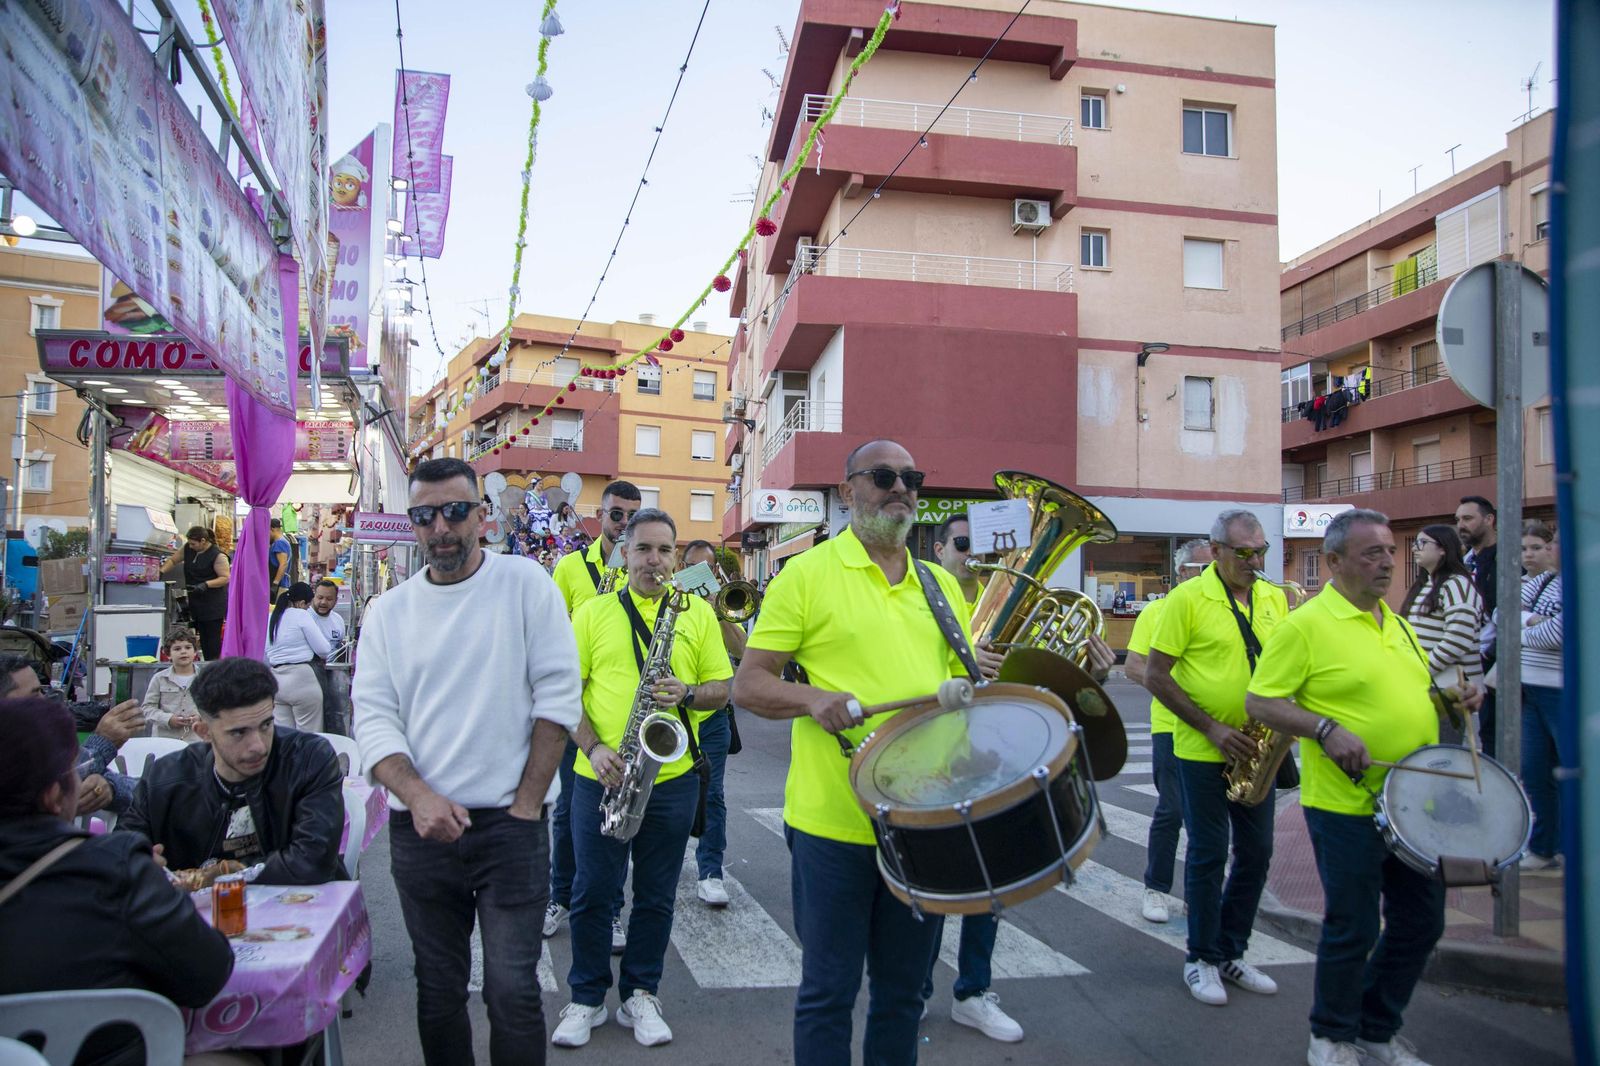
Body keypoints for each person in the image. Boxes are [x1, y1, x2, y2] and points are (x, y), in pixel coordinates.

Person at [733, 439, 973, 1066]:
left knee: (903, 994)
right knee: (828, 992)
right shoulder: (805, 575)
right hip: (832, 826)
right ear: (847, 491)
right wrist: (812, 699)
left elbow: (963, 694)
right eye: (883, 476)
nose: (901, 489)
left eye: (911, 478)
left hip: (921, 823)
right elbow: (749, 684)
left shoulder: (939, 585)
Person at [354, 457, 581, 1066]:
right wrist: (419, 798)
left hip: (511, 827)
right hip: (421, 830)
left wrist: (527, 804)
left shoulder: (525, 584)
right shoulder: (387, 613)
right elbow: (372, 719)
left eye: (455, 511)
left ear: (482, 515)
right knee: (438, 989)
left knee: (512, 991)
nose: (441, 527)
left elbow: (558, 698)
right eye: (424, 515)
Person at [1246, 509, 1479, 1066]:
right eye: (1372, 553)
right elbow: (1261, 701)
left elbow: (1414, 692)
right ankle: (1330, 1034)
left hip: (1414, 803)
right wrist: (1325, 729)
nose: (1388, 563)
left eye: (1391, 552)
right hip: (1345, 804)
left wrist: (1453, 697)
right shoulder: (1305, 625)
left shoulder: (1395, 621)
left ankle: (1376, 1028)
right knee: (1352, 925)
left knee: (1422, 922)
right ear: (1333, 561)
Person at [551, 510, 733, 1048]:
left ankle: (640, 993)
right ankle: (586, 997)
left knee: (655, 895)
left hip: (671, 779)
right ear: (625, 554)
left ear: (675, 557)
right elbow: (563, 695)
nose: (655, 560)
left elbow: (723, 688)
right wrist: (594, 747)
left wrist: (688, 694)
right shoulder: (593, 613)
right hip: (602, 773)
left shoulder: (696, 614)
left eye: (664, 550)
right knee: (592, 891)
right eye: (644, 549)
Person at [0, 697, 236, 1066]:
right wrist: (151, 880)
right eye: (75, 770)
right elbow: (208, 975)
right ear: (53, 795)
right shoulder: (116, 868)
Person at [1145, 510, 1287, 1007]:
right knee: (1208, 853)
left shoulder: (1274, 598)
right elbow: (1155, 674)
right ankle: (1201, 958)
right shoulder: (1186, 599)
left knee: (1257, 853)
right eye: (1244, 553)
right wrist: (1212, 728)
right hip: (1202, 748)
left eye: (1261, 551)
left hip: (1256, 749)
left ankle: (1232, 951)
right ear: (1217, 550)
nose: (1255, 562)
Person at [916, 514, 1022, 1041]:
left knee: (988, 883)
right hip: (938, 757)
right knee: (933, 882)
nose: (973, 552)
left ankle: (973, 992)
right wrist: (960, 661)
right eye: (963, 543)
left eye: (982, 545)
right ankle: (914, 990)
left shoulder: (1012, 604)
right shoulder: (920, 597)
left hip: (994, 755)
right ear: (940, 550)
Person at [119, 656, 344, 885]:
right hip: (190, 907)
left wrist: (217, 876)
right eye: (238, 733)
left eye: (266, 725)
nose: (258, 746)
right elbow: (122, 853)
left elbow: (312, 861)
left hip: (303, 903)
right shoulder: (164, 778)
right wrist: (137, 861)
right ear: (204, 731)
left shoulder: (306, 759)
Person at [547, 479, 642, 947]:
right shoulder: (570, 567)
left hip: (621, 715)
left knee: (618, 818)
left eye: (632, 516)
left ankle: (610, 909)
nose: (623, 523)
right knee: (569, 813)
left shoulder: (639, 567)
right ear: (600, 515)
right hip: (577, 713)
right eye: (616, 514)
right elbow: (548, 630)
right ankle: (559, 896)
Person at [1124, 538, 1214, 925]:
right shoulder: (1159, 610)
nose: (1211, 575)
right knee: (1172, 809)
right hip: (1171, 724)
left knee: (1207, 819)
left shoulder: (1223, 609)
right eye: (1203, 569)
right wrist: (1177, 692)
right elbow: (1133, 665)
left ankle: (1199, 894)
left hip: (1220, 728)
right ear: (1181, 572)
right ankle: (1156, 888)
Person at [679, 539, 747, 908]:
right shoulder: (670, 602)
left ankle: (711, 873)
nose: (702, 575)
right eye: (695, 568)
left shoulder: (721, 606)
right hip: (675, 718)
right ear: (682, 568)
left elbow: (743, 651)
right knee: (668, 794)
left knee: (714, 795)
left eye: (708, 569)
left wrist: (716, 610)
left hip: (713, 717)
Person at [0, 655, 141, 817]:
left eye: (41, 691)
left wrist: (110, 789)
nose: (44, 701)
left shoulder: (36, 746)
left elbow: (140, 792)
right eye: (34, 695)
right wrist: (102, 743)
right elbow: (49, 784)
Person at [1400, 526, 1483, 726]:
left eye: (1422, 543)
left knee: (1444, 743)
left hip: (1453, 687)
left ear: (1443, 549)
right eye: (1415, 543)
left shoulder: (1457, 584)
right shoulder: (1426, 584)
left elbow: (1457, 640)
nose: (1415, 548)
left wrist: (1421, 670)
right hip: (1428, 683)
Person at [1518, 524, 1564, 872]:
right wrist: (1534, 620)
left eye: (1555, 543)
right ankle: (1544, 847)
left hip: (1562, 692)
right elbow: (1503, 614)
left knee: (1572, 773)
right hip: (1530, 689)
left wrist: (1524, 625)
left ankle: (1573, 847)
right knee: (1534, 772)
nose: (1550, 549)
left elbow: (1557, 634)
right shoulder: (1544, 581)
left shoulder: (1583, 583)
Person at [1455, 495, 1500, 757]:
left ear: (1489, 519)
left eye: (1468, 518)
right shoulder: (1465, 562)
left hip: (1496, 662)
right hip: (1472, 663)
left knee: (1497, 733)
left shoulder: (1506, 560)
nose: (1461, 525)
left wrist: (1491, 654)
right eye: (1458, 519)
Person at [265, 582, 333, 733]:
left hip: (277, 682)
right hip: (302, 680)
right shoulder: (301, 615)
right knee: (309, 737)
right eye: (308, 606)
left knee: (285, 737)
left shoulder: (271, 618)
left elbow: (266, 651)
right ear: (302, 603)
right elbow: (324, 650)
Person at [161, 526, 231, 661]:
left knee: (211, 641)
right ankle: (204, 664)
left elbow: (225, 578)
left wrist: (206, 585)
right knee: (201, 638)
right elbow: (173, 560)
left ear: (203, 541)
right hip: (195, 602)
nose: (191, 546)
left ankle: (213, 665)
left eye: (193, 544)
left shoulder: (218, 556)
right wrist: (161, 571)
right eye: (190, 543)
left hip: (213, 604)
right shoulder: (188, 549)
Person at [142, 626, 204, 742]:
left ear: (195, 652)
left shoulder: (205, 678)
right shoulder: (159, 678)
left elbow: (215, 707)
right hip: (164, 741)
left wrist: (200, 717)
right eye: (177, 649)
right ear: (168, 654)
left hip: (196, 740)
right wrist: (168, 719)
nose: (183, 651)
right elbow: (147, 708)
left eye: (188, 647)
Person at [308, 579, 348, 735]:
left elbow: (340, 648)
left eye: (329, 599)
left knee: (335, 716)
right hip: (310, 676)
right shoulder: (306, 618)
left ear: (336, 600)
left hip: (333, 677)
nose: (323, 602)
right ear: (314, 596)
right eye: (320, 597)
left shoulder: (338, 620)